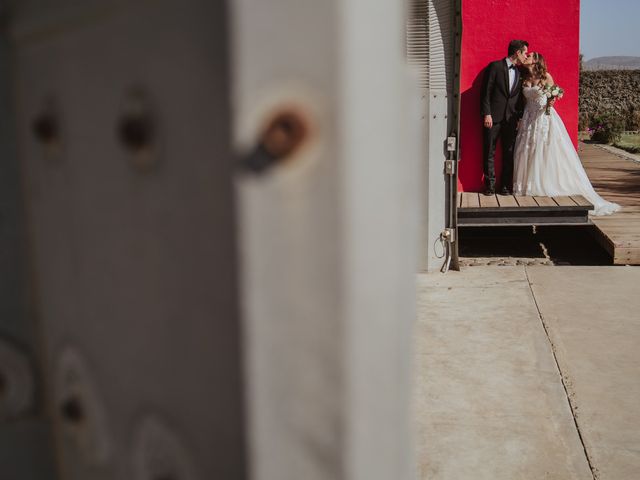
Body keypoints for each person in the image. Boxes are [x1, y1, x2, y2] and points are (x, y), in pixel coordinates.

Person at [513, 52, 620, 216]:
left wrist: (552, 99)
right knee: (527, 150)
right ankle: (528, 185)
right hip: (528, 118)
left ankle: (543, 183)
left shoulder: (546, 76)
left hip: (544, 119)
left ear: (536, 61)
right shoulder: (524, 77)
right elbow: (522, 102)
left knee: (543, 150)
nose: (526, 57)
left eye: (530, 56)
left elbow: (552, 96)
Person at [481, 39, 529, 195]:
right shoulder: (494, 67)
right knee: (489, 151)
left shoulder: (521, 72)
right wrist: (487, 113)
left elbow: (520, 99)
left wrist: (520, 117)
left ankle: (505, 186)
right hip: (492, 117)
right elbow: (485, 92)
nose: (526, 56)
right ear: (518, 52)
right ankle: (490, 186)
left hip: (511, 119)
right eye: (525, 53)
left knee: (509, 153)